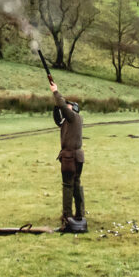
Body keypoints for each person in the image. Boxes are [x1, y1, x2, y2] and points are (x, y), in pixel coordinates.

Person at [50, 82, 85, 229]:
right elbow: (58, 117)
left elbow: (64, 108)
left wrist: (55, 92)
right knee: (76, 185)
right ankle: (80, 214)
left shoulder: (73, 117)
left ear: (73, 110)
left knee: (67, 186)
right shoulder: (72, 121)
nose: (67, 107)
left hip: (69, 158)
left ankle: (67, 217)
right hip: (77, 157)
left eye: (69, 106)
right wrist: (57, 105)